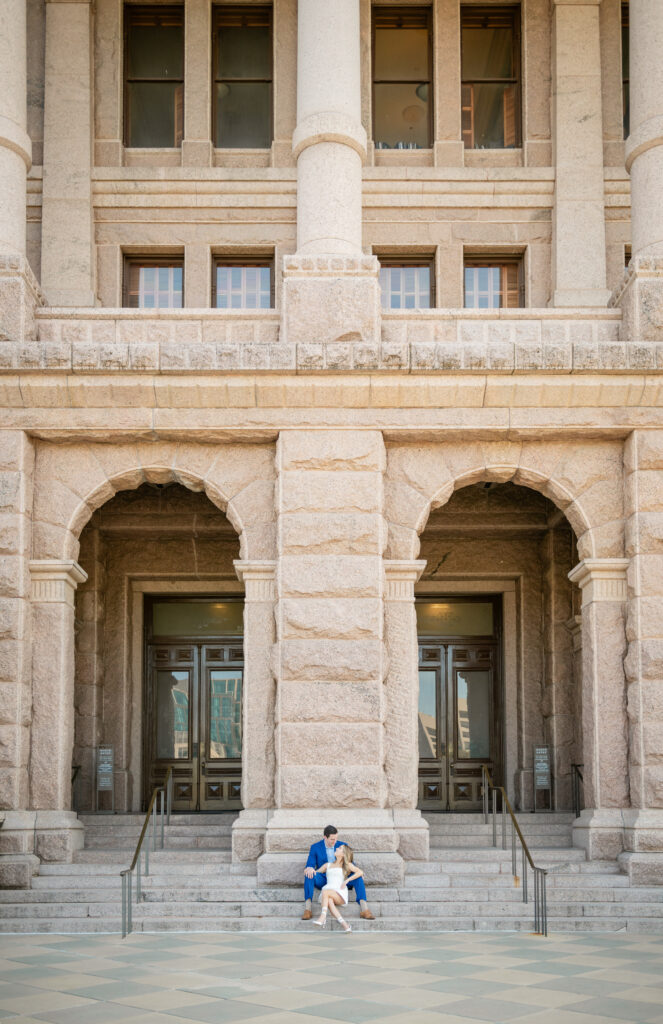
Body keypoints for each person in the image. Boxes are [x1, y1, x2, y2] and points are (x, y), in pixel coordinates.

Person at [302, 824, 375, 921]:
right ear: (325, 837)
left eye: (336, 838)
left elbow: (350, 863)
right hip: (324, 878)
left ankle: (364, 909)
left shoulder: (341, 846)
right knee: (309, 875)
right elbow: (310, 864)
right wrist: (309, 868)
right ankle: (308, 909)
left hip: (341, 877)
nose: (335, 842)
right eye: (332, 839)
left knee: (358, 877)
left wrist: (355, 874)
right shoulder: (315, 847)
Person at [312, 844, 362, 932]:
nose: (337, 848)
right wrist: (310, 869)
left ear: (343, 854)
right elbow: (315, 873)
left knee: (325, 891)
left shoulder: (347, 865)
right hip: (327, 893)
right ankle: (345, 925)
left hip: (340, 892)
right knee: (329, 900)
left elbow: (360, 872)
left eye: (340, 848)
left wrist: (347, 880)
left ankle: (323, 917)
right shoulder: (327, 865)